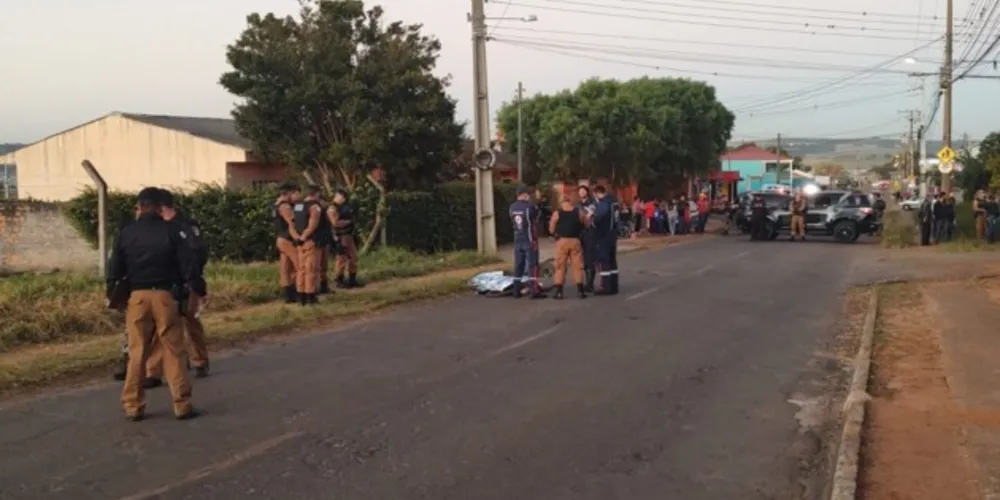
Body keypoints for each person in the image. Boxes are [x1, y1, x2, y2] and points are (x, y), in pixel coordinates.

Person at [106, 187, 201, 421]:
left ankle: (132, 405)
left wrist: (113, 293)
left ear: (140, 207)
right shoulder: (172, 231)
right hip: (165, 295)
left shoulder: (126, 232)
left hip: (137, 296)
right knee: (173, 349)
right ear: (160, 208)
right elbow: (188, 265)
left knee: (137, 351)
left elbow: (115, 267)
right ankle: (181, 404)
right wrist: (196, 289)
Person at [144, 189, 212, 381]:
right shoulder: (160, 227)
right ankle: (154, 371)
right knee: (163, 325)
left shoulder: (186, 226)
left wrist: (196, 283)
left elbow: (197, 255)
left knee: (190, 321)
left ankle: (199, 360)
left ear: (162, 207)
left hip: (187, 281)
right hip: (165, 282)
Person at [548, 196, 589, 299]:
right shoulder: (579, 211)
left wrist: (554, 234)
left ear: (562, 202)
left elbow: (551, 228)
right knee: (577, 266)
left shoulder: (558, 213)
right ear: (571, 202)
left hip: (562, 241)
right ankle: (580, 291)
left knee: (560, 266)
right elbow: (587, 224)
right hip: (575, 240)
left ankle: (559, 292)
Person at [509, 185, 546, 299]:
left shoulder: (512, 207)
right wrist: (538, 201)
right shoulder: (530, 207)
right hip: (529, 239)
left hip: (517, 239)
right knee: (532, 265)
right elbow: (538, 216)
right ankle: (534, 290)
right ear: (525, 194)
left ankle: (516, 290)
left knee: (518, 265)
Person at [293, 185, 323, 304]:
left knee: (301, 269)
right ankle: (310, 296)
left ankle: (301, 296)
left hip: (298, 242)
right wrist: (304, 237)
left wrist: (297, 237)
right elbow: (312, 225)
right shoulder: (314, 207)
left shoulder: (298, 206)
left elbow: (292, 224)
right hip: (309, 240)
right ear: (316, 193)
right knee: (311, 269)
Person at [272, 182, 300, 304]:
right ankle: (300, 291)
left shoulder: (275, 205)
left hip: (280, 238)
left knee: (285, 268)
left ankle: (288, 295)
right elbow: (292, 223)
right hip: (288, 239)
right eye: (293, 193)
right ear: (288, 193)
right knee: (299, 265)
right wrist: (298, 238)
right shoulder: (285, 206)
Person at [331, 188, 363, 288]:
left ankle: (352, 280)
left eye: (338, 196)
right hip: (340, 236)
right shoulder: (333, 208)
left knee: (353, 257)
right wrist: (349, 222)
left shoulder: (346, 207)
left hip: (349, 235)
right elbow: (335, 223)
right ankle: (339, 280)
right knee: (341, 259)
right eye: (336, 196)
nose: (336, 198)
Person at [592, 185, 619, 295]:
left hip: (604, 235)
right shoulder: (613, 202)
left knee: (604, 260)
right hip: (613, 234)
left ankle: (606, 286)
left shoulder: (604, 204)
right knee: (612, 261)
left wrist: (593, 219)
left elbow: (599, 218)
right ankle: (614, 286)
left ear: (597, 193)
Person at [577, 185, 598, 291]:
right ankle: (587, 282)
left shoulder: (592, 203)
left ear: (587, 192)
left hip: (591, 232)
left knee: (590, 257)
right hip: (581, 233)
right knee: (584, 258)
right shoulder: (578, 205)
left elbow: (590, 216)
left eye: (583, 191)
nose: (581, 193)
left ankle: (590, 283)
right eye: (580, 191)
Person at [316, 191, 335, 294]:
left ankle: (324, 286)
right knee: (316, 266)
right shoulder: (314, 209)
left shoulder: (326, 210)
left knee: (324, 265)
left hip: (326, 239)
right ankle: (314, 288)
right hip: (317, 240)